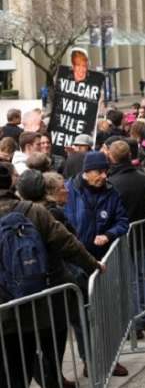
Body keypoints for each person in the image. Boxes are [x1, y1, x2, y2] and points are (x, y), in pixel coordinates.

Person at [0, 164, 104, 388]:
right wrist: (93, 264)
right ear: (10, 183)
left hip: (3, 305)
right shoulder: (34, 211)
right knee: (24, 362)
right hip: (31, 302)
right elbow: (68, 244)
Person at [64, 152, 130, 377]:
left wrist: (109, 234)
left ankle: (111, 358)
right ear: (87, 171)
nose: (103, 176)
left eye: (105, 171)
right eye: (99, 172)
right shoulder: (69, 190)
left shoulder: (111, 193)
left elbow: (123, 221)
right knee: (81, 318)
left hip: (101, 265)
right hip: (74, 265)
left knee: (106, 313)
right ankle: (89, 360)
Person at [107, 141, 145, 336]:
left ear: (112, 157)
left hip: (124, 236)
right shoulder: (143, 179)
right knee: (140, 276)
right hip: (141, 233)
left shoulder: (113, 183)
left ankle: (135, 322)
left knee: (130, 280)